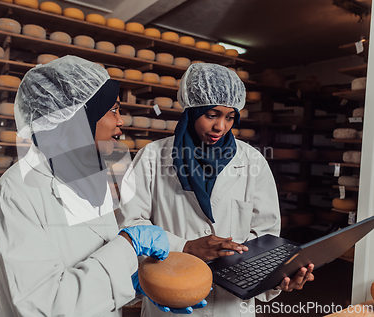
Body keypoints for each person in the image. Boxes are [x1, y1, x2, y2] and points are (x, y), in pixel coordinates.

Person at [117, 63, 315, 317]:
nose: (221, 126)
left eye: (229, 117)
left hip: (231, 305)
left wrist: (276, 277)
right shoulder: (152, 157)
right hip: (171, 296)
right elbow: (132, 224)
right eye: (212, 114)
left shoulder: (252, 160)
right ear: (192, 110)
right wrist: (184, 247)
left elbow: (265, 235)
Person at [0, 56, 175, 316]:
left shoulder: (90, 173)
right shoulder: (17, 191)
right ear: (76, 117)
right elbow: (43, 306)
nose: (121, 122)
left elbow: (98, 257)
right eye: (112, 110)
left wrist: (133, 283)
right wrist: (127, 247)